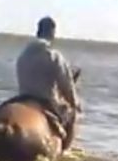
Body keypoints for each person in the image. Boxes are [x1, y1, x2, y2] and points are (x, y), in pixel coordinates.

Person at [16, 18, 81, 150]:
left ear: (38, 32)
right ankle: (64, 153)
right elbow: (67, 87)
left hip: (21, 99)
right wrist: (75, 104)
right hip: (46, 102)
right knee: (72, 114)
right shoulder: (54, 56)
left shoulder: (23, 55)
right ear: (52, 33)